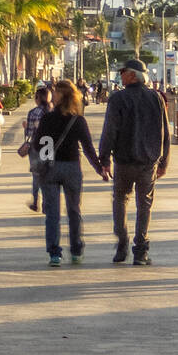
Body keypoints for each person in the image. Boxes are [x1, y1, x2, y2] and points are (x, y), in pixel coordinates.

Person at [98, 58, 170, 265]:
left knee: (121, 200)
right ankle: (141, 251)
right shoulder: (156, 98)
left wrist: (105, 160)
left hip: (124, 160)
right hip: (149, 161)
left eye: (123, 72)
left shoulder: (118, 99)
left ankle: (122, 243)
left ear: (132, 75)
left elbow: (109, 131)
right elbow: (165, 131)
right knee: (144, 204)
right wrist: (165, 161)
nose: (120, 75)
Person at [36, 80, 107, 266]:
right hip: (72, 168)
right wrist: (100, 169)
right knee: (74, 210)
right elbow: (88, 148)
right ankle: (76, 251)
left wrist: (44, 164)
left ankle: (54, 254)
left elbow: (39, 145)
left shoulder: (47, 119)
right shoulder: (78, 120)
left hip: (50, 168)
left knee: (52, 213)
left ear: (58, 95)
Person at [21, 84, 51, 212]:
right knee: (48, 174)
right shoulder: (53, 112)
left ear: (37, 98)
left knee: (36, 175)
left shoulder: (33, 113)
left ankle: (35, 201)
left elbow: (28, 133)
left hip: (35, 147)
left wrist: (27, 126)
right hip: (49, 147)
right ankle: (46, 203)